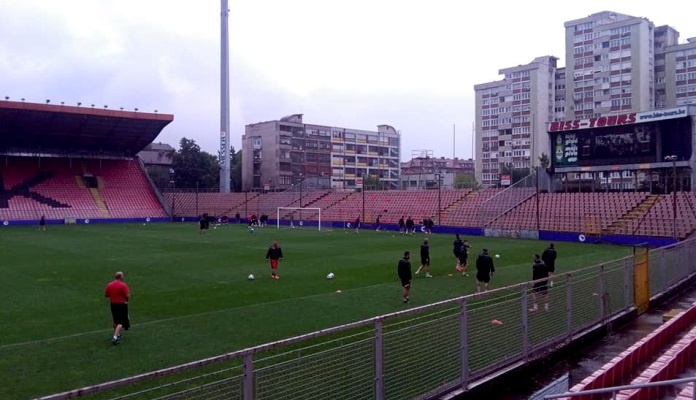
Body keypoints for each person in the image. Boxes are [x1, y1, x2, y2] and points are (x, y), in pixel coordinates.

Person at [104, 271, 130, 345]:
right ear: (121, 277)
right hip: (122, 305)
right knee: (121, 322)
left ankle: (117, 334)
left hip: (113, 304)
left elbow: (106, 295)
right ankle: (115, 337)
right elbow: (127, 295)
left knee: (115, 320)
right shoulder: (123, 285)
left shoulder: (109, 285)